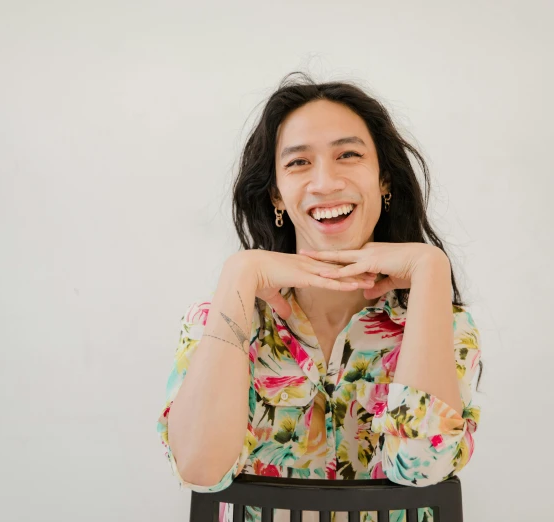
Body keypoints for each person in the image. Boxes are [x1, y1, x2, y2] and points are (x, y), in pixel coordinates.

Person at [156, 73, 483, 522]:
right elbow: (199, 471)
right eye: (298, 163)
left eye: (348, 155)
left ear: (384, 181)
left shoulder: (441, 323)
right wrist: (239, 273)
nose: (325, 182)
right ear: (275, 193)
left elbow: (423, 468)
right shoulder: (222, 316)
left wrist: (431, 269)